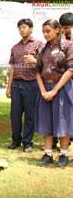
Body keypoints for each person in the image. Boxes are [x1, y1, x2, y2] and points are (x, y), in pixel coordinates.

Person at [35, 19, 73, 168]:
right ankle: (48, 153)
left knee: (63, 120)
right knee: (47, 121)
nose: (45, 34)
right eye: (43, 32)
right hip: (45, 88)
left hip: (62, 88)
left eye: (48, 31)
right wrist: (43, 91)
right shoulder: (43, 50)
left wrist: (55, 90)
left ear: (57, 29)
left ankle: (64, 154)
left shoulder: (68, 46)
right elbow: (37, 71)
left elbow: (70, 69)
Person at [6, 18, 44, 152]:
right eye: (20, 28)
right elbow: (13, 68)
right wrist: (9, 86)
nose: (22, 30)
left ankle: (27, 142)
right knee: (14, 115)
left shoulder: (39, 45)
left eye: (24, 27)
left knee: (30, 115)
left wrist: (35, 60)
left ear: (31, 28)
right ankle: (16, 140)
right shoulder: (15, 48)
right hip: (16, 85)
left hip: (32, 85)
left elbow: (46, 64)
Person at [51, 12, 73, 149]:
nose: (64, 30)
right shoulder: (56, 41)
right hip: (60, 81)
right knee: (58, 112)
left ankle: (68, 140)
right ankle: (55, 142)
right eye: (62, 27)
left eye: (67, 27)